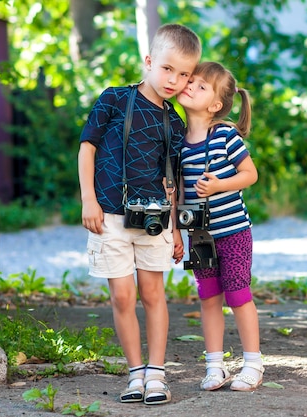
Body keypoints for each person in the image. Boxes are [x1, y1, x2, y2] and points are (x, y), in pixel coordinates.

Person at [77, 23, 201, 405]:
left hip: (156, 220)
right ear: (149, 61)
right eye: (167, 69)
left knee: (153, 294)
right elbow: (87, 148)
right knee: (122, 297)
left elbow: (176, 180)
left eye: (183, 74)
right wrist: (88, 200)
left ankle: (156, 374)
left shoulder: (175, 121)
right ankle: (134, 374)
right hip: (109, 216)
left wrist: (178, 230)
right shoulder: (114, 99)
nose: (174, 80)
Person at [176, 62, 263, 392]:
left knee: (238, 295)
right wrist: (175, 232)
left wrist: (218, 185)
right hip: (199, 236)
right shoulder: (178, 142)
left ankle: (253, 363)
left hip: (234, 231)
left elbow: (250, 175)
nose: (190, 86)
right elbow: (178, 193)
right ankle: (215, 366)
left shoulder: (224, 135)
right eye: (191, 81)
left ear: (215, 105)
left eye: (201, 86)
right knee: (208, 297)